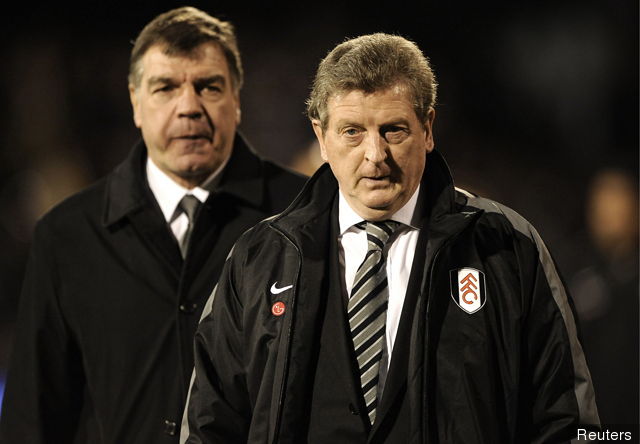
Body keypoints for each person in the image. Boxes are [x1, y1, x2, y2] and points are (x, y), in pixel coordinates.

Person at [182, 33, 600, 443]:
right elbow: (209, 425)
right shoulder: (258, 258)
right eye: (352, 131)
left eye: (393, 130)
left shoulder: (507, 247)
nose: (375, 155)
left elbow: (568, 422)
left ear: (428, 129)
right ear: (321, 137)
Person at [0, 7, 305, 443]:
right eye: (165, 87)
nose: (188, 108)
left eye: (208, 86)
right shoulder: (67, 236)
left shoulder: (307, 217)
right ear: (134, 102)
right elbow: (32, 420)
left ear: (237, 100)